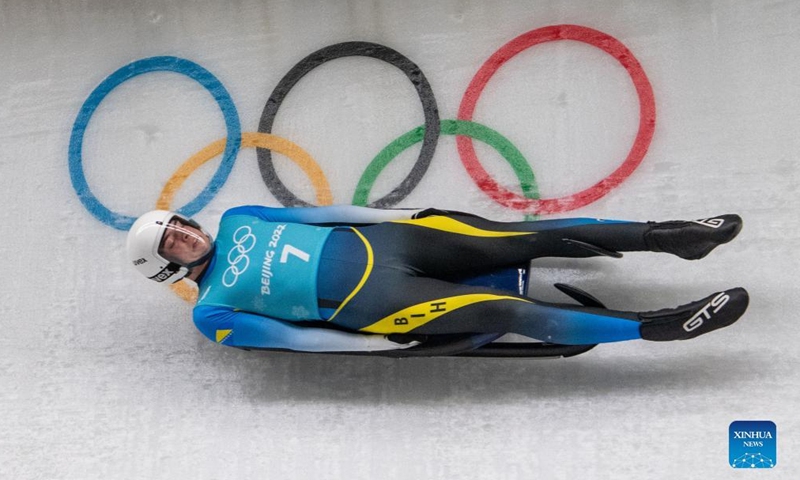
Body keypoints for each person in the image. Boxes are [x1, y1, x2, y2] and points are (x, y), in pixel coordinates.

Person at [126, 205, 749, 354]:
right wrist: (384, 345)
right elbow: (302, 340)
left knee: (521, 234)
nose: (184, 232)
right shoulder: (211, 315)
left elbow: (326, 215)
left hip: (388, 239)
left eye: (179, 222)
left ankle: (669, 236)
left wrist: (407, 217)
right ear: (169, 265)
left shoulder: (239, 216)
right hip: (377, 302)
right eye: (171, 240)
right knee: (501, 311)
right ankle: (659, 327)